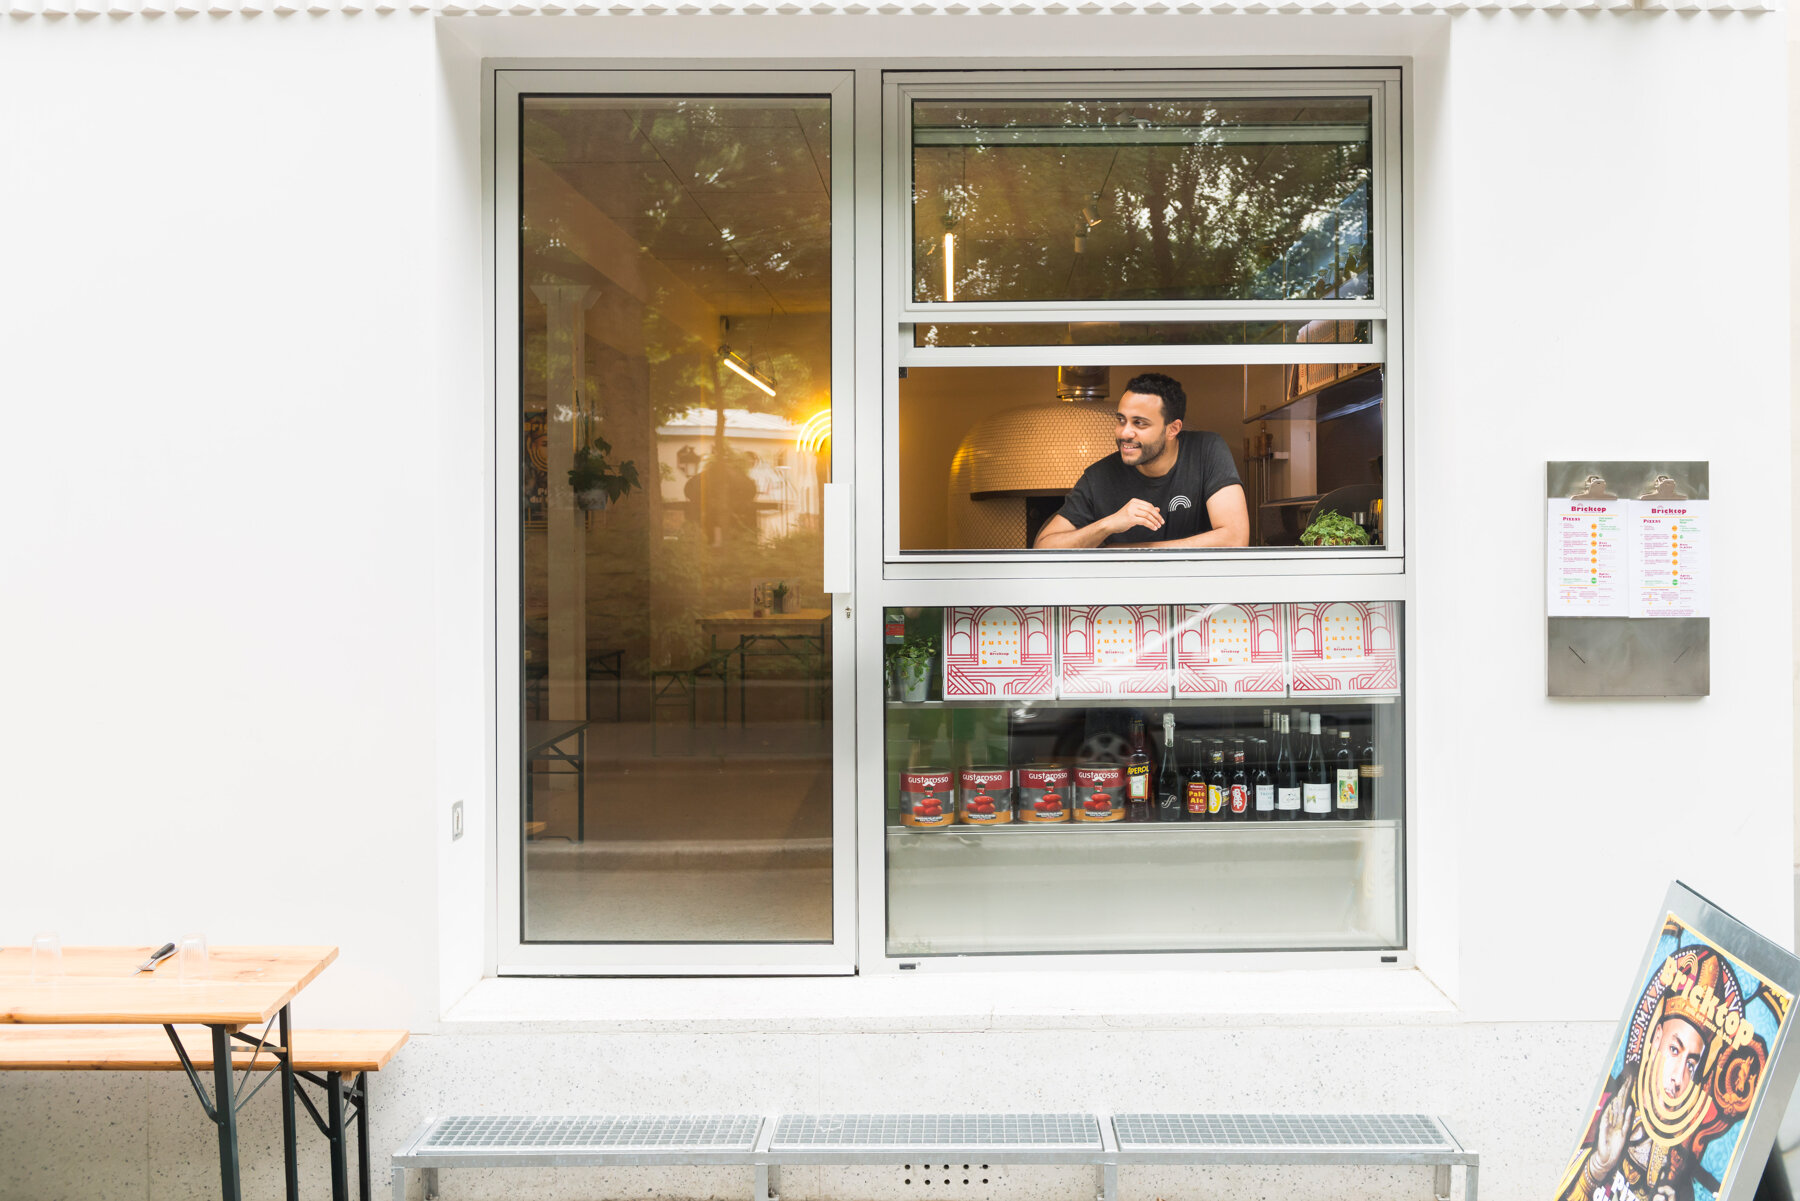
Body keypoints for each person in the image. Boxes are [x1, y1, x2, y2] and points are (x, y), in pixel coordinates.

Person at [1033, 372, 1251, 549]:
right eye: (1121, 420)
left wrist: (1137, 550)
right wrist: (1108, 525)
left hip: (1197, 593)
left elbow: (1235, 538)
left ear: (1172, 429)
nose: (1125, 433)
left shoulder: (1206, 450)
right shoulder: (1098, 477)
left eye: (1140, 423)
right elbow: (1044, 547)